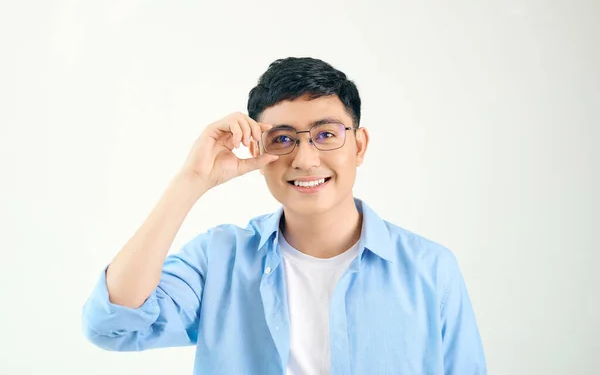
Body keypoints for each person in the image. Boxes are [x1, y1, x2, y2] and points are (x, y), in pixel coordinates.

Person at [81, 57, 486, 374]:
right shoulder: (219, 259)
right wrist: (191, 180)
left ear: (359, 146)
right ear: (259, 148)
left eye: (327, 134)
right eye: (283, 139)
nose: (306, 159)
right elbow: (112, 324)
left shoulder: (430, 269)